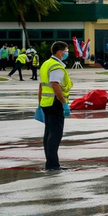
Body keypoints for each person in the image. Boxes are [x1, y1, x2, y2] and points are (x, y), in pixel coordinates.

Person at [38, 41, 72, 171]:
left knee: (48, 134)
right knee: (55, 135)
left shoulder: (46, 64)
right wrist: (64, 103)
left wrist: (39, 102)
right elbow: (54, 84)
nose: (66, 53)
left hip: (46, 102)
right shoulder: (56, 66)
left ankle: (50, 162)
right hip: (55, 103)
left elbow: (41, 85)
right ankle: (53, 164)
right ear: (59, 52)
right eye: (66, 50)